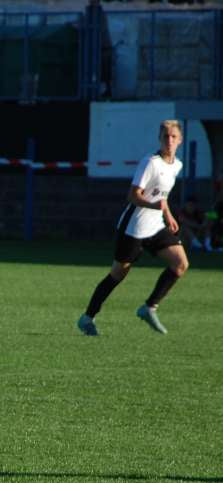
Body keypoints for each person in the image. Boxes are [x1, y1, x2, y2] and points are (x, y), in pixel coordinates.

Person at [77, 120, 188, 336]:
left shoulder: (177, 165)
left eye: (173, 137)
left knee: (180, 264)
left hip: (156, 226)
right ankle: (87, 318)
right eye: (165, 136)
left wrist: (167, 214)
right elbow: (133, 196)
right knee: (118, 275)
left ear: (180, 140)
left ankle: (149, 307)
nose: (169, 140)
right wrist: (155, 206)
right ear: (159, 138)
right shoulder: (150, 162)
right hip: (134, 227)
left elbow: (162, 196)